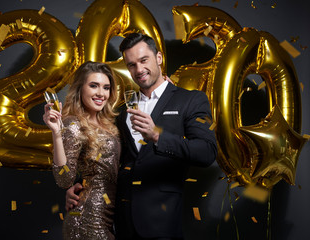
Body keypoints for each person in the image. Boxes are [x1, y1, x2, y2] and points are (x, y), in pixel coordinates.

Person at [66, 33, 218, 240]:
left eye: (143, 60)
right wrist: (77, 185)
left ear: (159, 58)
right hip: (120, 222)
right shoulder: (120, 110)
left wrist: (157, 135)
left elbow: (207, 152)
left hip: (162, 222)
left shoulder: (190, 100)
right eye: (131, 65)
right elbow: (103, 151)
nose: (138, 70)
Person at [43, 61, 120, 240]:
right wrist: (56, 133)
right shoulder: (73, 124)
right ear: (80, 89)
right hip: (88, 220)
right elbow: (64, 179)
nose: (101, 93)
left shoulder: (111, 125)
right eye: (93, 86)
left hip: (109, 218)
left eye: (106, 87)